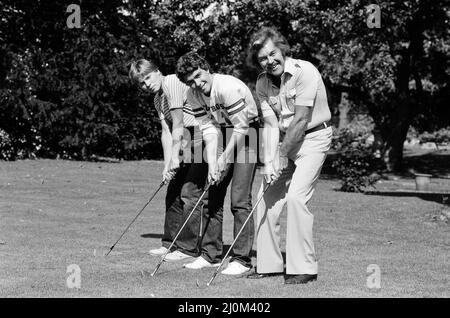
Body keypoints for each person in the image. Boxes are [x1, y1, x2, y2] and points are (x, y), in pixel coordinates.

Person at [245, 27, 332, 284]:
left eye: (273, 53)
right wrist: (270, 161)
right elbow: (271, 125)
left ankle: (303, 267)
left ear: (282, 49)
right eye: (262, 58)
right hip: (286, 142)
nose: (269, 61)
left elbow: (302, 119)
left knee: (295, 198)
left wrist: (281, 157)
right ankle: (268, 264)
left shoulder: (305, 71)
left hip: (314, 139)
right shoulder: (262, 84)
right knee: (264, 197)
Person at [175, 52, 259, 275]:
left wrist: (224, 158)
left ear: (206, 67)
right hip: (222, 131)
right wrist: (213, 163)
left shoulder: (227, 87)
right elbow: (210, 130)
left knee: (239, 199)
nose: (196, 83)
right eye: (190, 81)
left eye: (198, 76)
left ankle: (242, 259)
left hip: (249, 132)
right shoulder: (192, 94)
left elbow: (241, 128)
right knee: (212, 193)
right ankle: (211, 255)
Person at [129, 58, 208, 262]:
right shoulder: (158, 99)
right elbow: (166, 132)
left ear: (157, 71)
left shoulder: (172, 81)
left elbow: (179, 124)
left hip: (200, 134)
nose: (146, 84)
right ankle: (170, 243)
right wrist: (167, 166)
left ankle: (188, 247)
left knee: (190, 192)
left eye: (147, 77)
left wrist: (175, 157)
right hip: (183, 139)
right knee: (172, 191)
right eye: (142, 83)